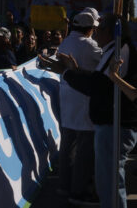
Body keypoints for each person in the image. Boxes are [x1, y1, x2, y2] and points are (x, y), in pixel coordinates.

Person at [39, 13, 137, 208]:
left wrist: (68, 73)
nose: (96, 33)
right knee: (106, 182)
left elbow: (98, 85)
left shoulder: (120, 51)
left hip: (115, 124)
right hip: (107, 122)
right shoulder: (112, 50)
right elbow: (99, 80)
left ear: (108, 32)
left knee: (110, 183)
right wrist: (72, 72)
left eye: (99, 30)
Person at [55, 11, 102, 205]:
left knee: (67, 146)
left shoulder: (66, 42)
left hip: (67, 99)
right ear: (90, 28)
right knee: (84, 150)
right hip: (83, 100)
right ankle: (79, 191)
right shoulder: (89, 45)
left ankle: (64, 185)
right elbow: (107, 60)